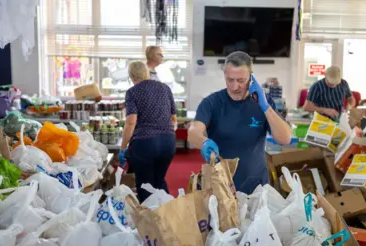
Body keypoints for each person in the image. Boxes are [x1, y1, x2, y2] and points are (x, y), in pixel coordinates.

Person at [188, 51, 292, 194]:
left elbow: (285, 138)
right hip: (221, 185)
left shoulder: (263, 102)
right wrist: (203, 142)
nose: (235, 87)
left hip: (256, 185)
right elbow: (193, 132)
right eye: (230, 80)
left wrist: (266, 107)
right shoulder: (212, 102)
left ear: (251, 78)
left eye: (241, 81)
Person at [119, 61, 177, 203]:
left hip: (145, 144)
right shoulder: (165, 88)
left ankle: (149, 221)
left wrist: (123, 147)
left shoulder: (132, 92)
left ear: (132, 76)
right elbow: (173, 118)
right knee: (159, 181)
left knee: (145, 185)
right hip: (168, 142)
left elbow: (131, 121)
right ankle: (168, 217)